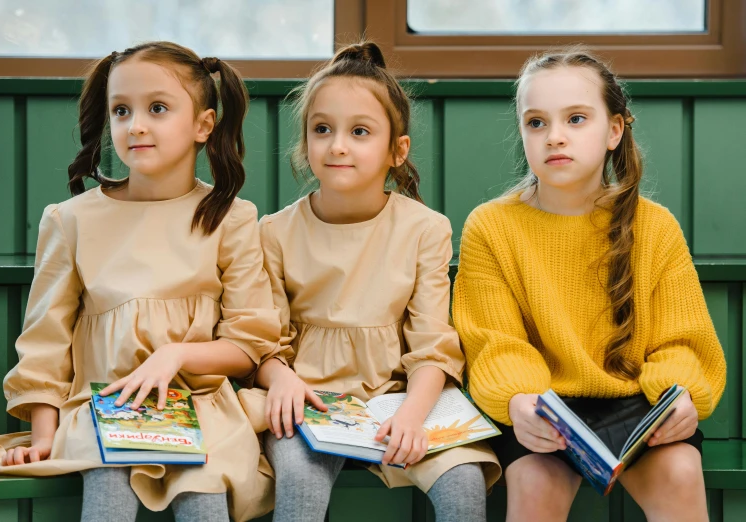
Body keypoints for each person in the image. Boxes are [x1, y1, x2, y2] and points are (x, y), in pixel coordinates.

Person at [0, 41, 281, 522]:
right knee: (107, 491)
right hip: (100, 408)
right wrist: (44, 433)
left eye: (157, 108)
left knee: (205, 500)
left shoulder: (230, 219)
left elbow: (250, 340)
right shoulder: (71, 221)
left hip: (201, 411)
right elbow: (45, 343)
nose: (137, 125)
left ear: (203, 125)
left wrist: (177, 355)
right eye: (121, 110)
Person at [453, 48, 726, 522]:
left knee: (682, 473)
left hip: (638, 408)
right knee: (534, 487)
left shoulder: (654, 227)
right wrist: (519, 401)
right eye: (536, 123)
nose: (554, 136)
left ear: (614, 131)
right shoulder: (491, 227)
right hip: (544, 409)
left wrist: (680, 393)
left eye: (576, 119)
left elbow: (684, 339)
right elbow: (494, 342)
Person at [254, 41, 500, 522]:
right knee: (300, 484)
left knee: (464, 481)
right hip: (308, 399)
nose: (337, 145)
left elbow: (433, 344)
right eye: (321, 129)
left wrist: (411, 414)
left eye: (359, 131)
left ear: (397, 150)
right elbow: (263, 340)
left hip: (401, 397)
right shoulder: (274, 232)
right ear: (306, 143)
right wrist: (279, 376)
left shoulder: (426, 229)